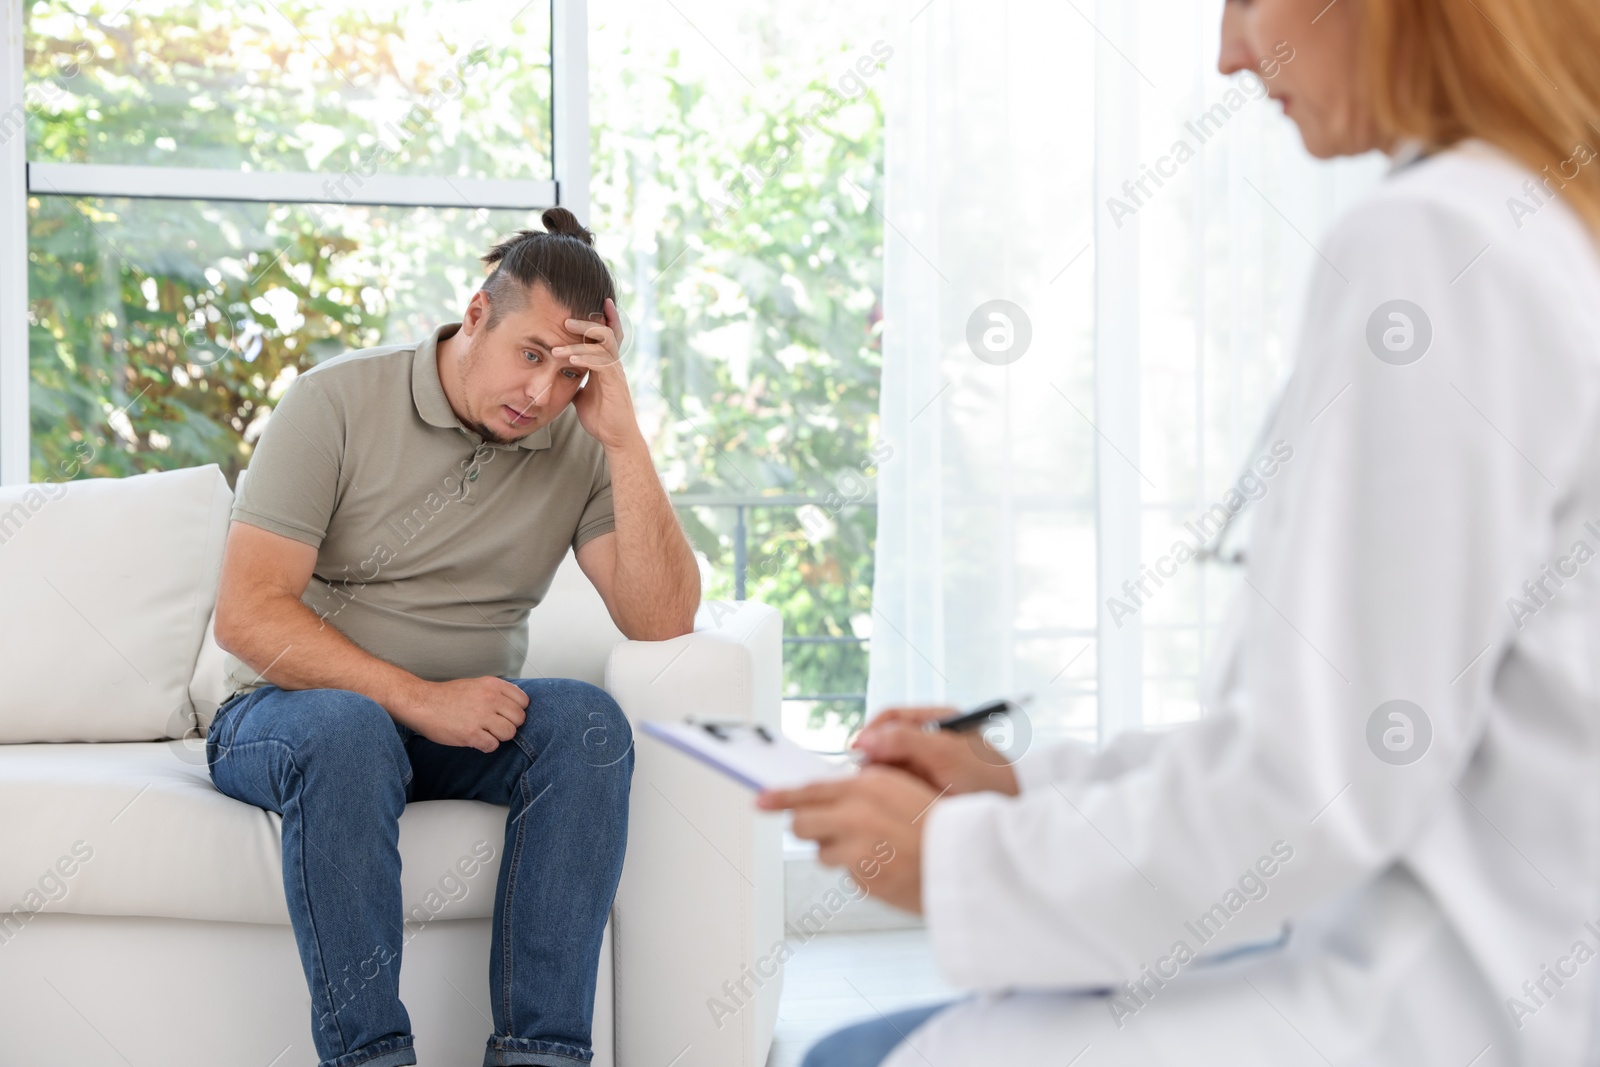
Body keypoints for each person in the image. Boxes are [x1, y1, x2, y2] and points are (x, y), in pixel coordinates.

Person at [761, 0, 1600, 1063]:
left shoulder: (1435, 240)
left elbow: (1318, 787)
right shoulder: (1541, 220)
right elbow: (1340, 732)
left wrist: (958, 860)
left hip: (1436, 1008)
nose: (1229, 53)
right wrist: (1026, 788)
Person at [206, 207, 700, 1067]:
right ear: (477, 315)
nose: (542, 393)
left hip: (459, 729)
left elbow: (662, 618)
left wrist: (624, 438)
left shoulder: (578, 443)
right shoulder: (337, 400)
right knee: (350, 728)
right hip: (289, 716)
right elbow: (248, 614)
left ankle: (539, 1055)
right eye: (532, 354)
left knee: (589, 723)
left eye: (572, 373)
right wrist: (418, 698)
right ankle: (371, 1058)